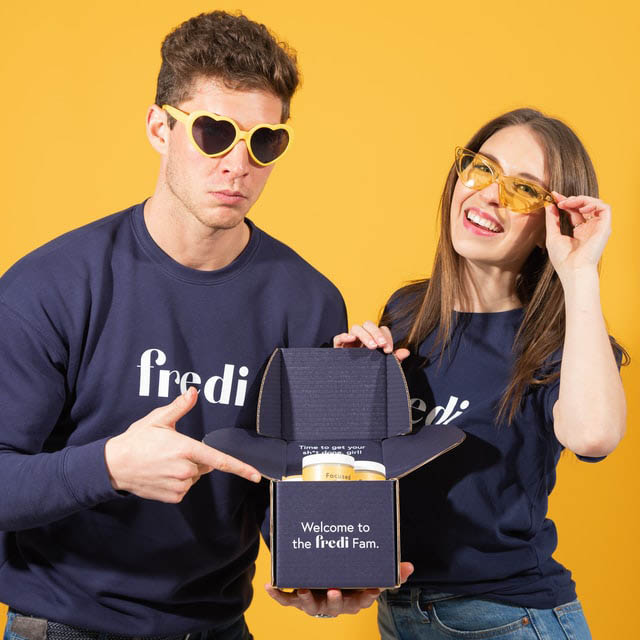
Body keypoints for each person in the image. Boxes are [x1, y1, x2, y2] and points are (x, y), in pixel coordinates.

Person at [0, 10, 392, 639]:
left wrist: (325, 568)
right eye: (215, 132)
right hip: (68, 624)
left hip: (217, 627)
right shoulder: (50, 286)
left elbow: (283, 487)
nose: (238, 163)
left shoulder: (310, 302)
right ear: (160, 128)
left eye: (264, 142)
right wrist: (110, 466)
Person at [334, 108, 628, 639]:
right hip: (401, 610)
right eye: (483, 168)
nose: (490, 195)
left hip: (507, 616)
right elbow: (373, 466)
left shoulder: (557, 340)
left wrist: (580, 272)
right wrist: (349, 382)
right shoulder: (407, 311)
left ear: (551, 223)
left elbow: (594, 436)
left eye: (523, 190)